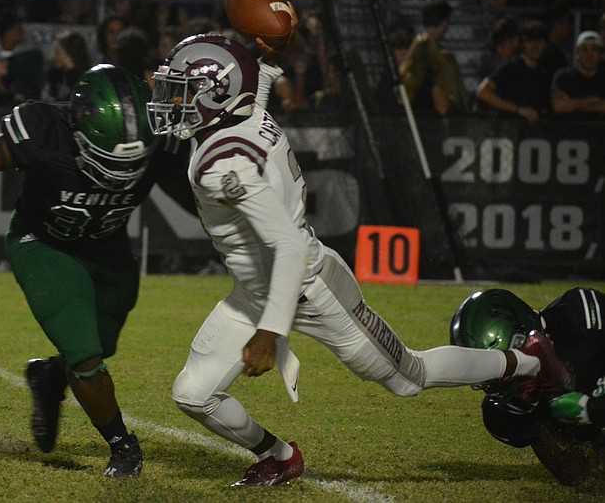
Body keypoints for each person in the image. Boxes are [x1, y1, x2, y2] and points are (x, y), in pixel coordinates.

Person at [146, 33, 570, 486]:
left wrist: (271, 332)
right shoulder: (245, 114)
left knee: (409, 376)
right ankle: (279, 456)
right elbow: (256, 95)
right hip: (255, 292)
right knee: (194, 394)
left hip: (311, 289)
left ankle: (527, 362)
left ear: (220, 93)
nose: (174, 102)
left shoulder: (224, 166)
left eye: (185, 90)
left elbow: (287, 246)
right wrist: (265, 61)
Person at [0, 64, 195, 478]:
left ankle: (49, 377)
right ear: (77, 131)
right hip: (45, 244)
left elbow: (187, 192)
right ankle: (122, 445)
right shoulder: (46, 131)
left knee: (97, 347)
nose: (122, 172)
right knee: (86, 356)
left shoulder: (159, 142)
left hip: (108, 248)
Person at [450, 288, 604, 488]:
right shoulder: (507, 411)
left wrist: (591, 408)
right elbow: (581, 476)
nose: (502, 386)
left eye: (507, 370)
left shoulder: (583, 318)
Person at [399, 0, 468, 117]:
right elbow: (442, 107)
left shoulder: (415, 47)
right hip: (428, 122)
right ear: (443, 24)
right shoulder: (429, 51)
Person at [476, 19, 552, 124]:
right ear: (522, 44)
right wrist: (518, 110)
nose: (535, 46)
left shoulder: (544, 74)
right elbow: (483, 92)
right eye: (530, 41)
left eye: (539, 42)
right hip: (508, 131)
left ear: (545, 45)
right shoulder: (510, 67)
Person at [551, 30, 605, 118]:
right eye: (584, 50)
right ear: (577, 54)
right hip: (569, 131)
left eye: (594, 50)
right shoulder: (563, 77)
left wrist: (573, 104)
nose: (589, 55)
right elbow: (560, 106)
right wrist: (595, 102)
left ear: (601, 54)